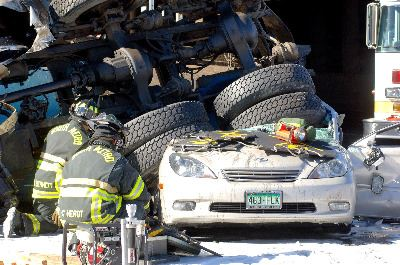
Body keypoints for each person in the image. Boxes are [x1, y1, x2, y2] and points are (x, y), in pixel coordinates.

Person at [2, 99, 99, 237]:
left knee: (47, 219)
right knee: (66, 223)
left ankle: (22, 220)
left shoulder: (54, 130)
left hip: (37, 193)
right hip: (54, 198)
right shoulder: (83, 141)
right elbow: (75, 177)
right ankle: (20, 221)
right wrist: (62, 206)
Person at [58, 113, 150, 225]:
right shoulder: (116, 160)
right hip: (98, 220)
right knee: (137, 206)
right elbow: (140, 194)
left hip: (67, 219)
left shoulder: (74, 157)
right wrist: (146, 211)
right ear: (115, 141)